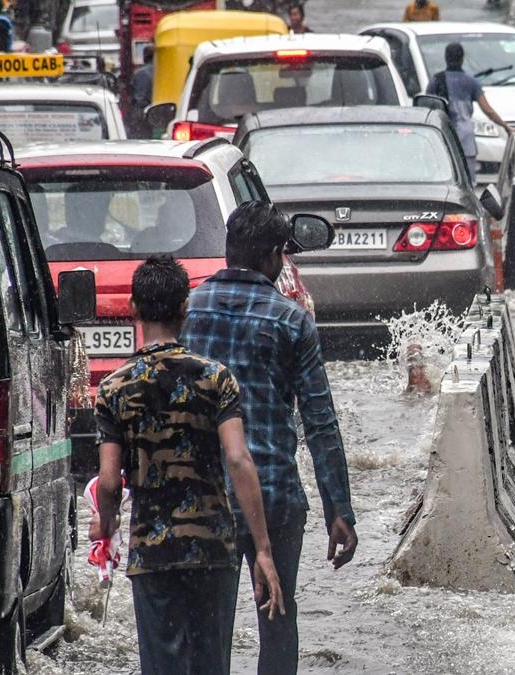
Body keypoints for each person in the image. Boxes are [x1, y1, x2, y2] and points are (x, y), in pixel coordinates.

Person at [181, 202, 357, 675]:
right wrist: (338, 508)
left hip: (204, 498)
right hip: (274, 495)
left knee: (208, 628)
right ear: (274, 256)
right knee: (277, 615)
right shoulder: (292, 321)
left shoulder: (188, 311)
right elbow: (320, 421)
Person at [93, 255, 284, 675]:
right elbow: (238, 459)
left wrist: (106, 525)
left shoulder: (113, 389)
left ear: (134, 308)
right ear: (185, 308)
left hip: (153, 554)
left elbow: (108, 482)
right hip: (212, 549)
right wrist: (263, 549)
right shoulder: (216, 378)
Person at [426, 43, 513, 181]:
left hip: (443, 136)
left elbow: (427, 107)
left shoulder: (436, 81)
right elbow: (488, 110)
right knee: (468, 180)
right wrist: (505, 126)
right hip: (465, 138)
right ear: (462, 59)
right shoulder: (471, 82)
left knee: (446, 177)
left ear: (446, 58)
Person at [130, 44, 155, 139]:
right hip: (160, 112)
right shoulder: (162, 71)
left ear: (144, 57)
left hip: (142, 112)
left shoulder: (139, 73)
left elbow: (137, 97)